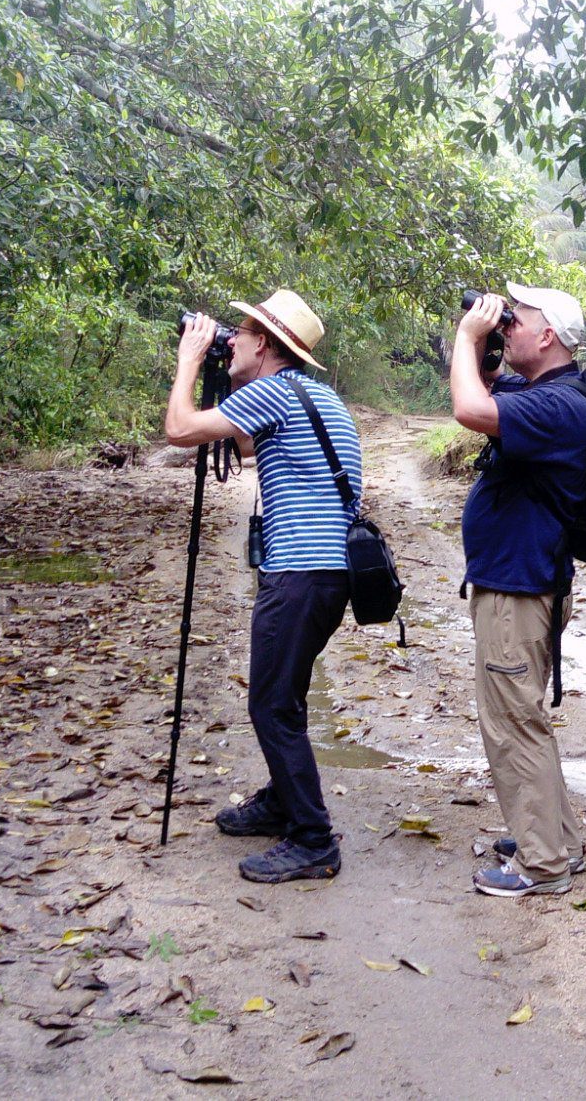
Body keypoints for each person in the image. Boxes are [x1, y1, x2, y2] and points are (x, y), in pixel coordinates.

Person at [163, 289, 361, 884]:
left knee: (270, 703)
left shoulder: (276, 391)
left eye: (241, 335)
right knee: (286, 694)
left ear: (268, 346)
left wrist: (191, 358)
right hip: (327, 575)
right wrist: (224, 369)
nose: (233, 341)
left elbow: (179, 430)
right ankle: (281, 802)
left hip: (300, 573)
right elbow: (245, 444)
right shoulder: (312, 395)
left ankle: (312, 837)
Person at [451, 283, 586, 897]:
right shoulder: (540, 392)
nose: (507, 325)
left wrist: (466, 336)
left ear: (549, 337)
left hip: (519, 588)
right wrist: (481, 344)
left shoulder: (561, 406)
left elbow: (469, 411)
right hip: (518, 580)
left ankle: (542, 866)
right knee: (524, 716)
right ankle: (558, 840)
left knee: (513, 723)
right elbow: (478, 388)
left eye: (518, 319)